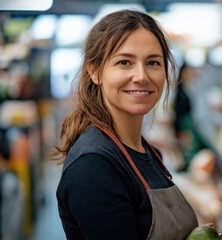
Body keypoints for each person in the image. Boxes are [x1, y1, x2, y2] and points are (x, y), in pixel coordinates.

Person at [51, 9, 199, 240]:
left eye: (152, 62)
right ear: (95, 71)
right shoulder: (94, 167)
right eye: (124, 62)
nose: (141, 76)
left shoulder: (148, 152)